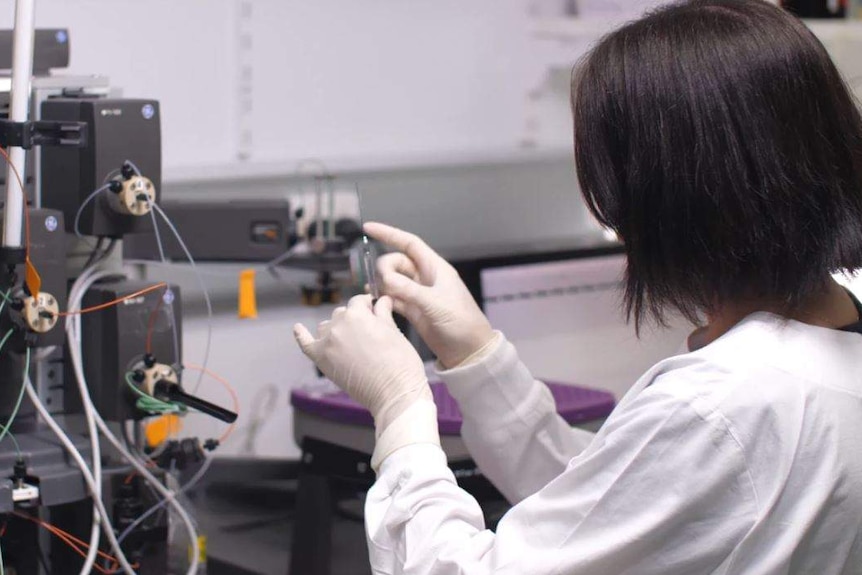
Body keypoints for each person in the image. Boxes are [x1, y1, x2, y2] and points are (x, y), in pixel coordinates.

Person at [293, 0, 862, 572]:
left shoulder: (727, 403)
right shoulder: (830, 334)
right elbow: (615, 508)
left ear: (672, 199)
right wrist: (474, 353)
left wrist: (399, 405)